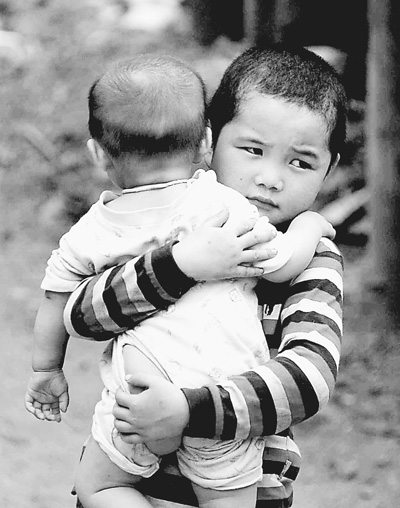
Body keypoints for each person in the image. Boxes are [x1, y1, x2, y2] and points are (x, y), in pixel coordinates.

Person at [25, 52, 335, 508]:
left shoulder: (316, 263)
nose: (269, 179)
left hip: (226, 458)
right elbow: (82, 315)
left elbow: (309, 379)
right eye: (252, 150)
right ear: (209, 140)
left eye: (301, 162)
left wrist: (187, 410)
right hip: (183, 466)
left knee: (99, 488)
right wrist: (179, 265)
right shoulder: (218, 208)